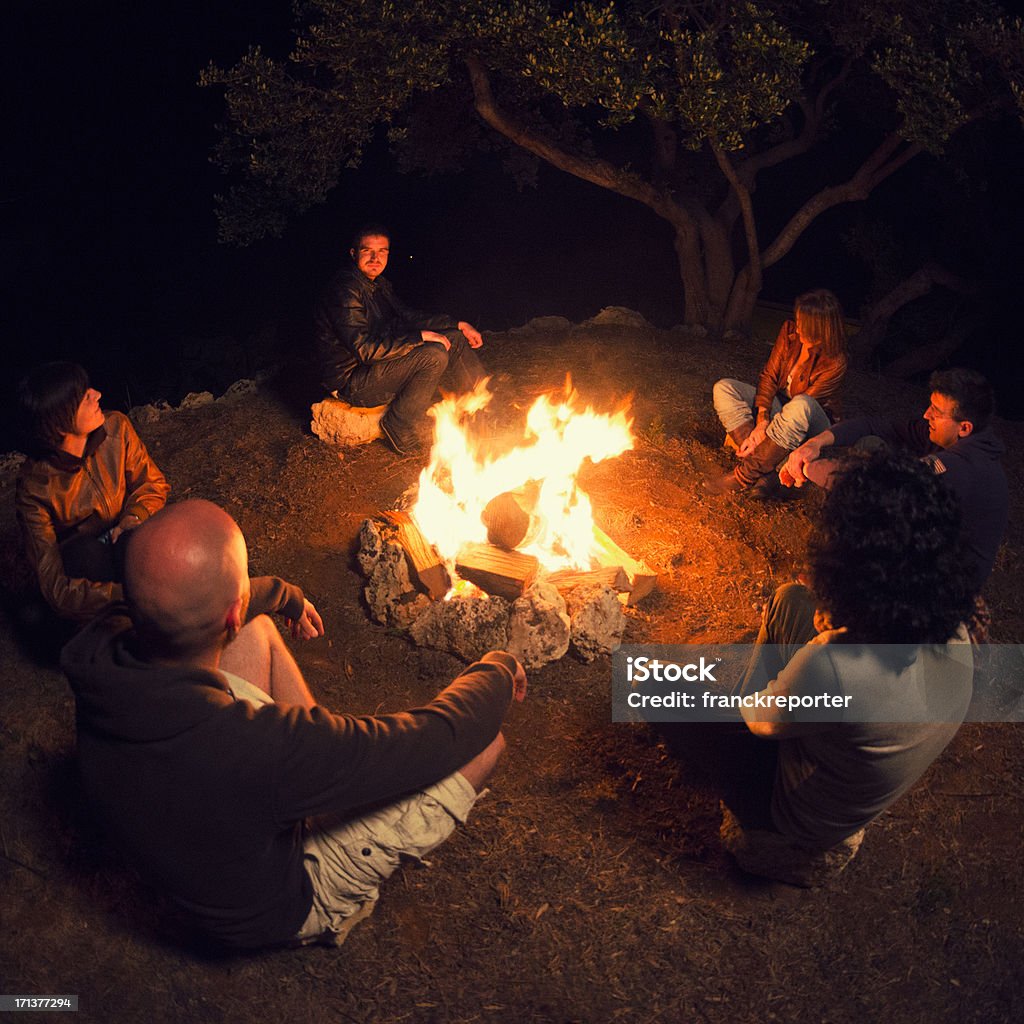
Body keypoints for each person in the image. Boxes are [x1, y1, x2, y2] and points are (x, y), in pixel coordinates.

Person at [61, 499, 527, 950]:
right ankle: (323, 831)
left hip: (184, 828)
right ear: (232, 608)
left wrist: (284, 598)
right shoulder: (256, 744)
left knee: (256, 631)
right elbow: (432, 739)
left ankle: (314, 790)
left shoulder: (100, 643)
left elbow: (230, 612)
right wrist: (498, 669)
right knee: (484, 741)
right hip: (271, 904)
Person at [660, 451, 975, 854]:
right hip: (853, 768)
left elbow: (763, 721)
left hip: (800, 816)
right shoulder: (955, 633)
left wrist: (819, 647)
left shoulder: (837, 661)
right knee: (791, 600)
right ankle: (765, 702)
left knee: (650, 682)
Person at [782, 368, 1008, 593]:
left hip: (942, 585)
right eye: (930, 406)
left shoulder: (965, 467)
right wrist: (814, 444)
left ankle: (840, 584)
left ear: (964, 427)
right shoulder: (948, 438)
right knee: (871, 445)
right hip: (925, 547)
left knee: (873, 496)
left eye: (936, 412)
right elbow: (875, 426)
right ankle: (837, 574)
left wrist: (809, 468)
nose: (926, 415)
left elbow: (876, 489)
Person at [313, 224, 487, 455]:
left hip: (373, 369)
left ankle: (483, 407)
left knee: (453, 338)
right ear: (354, 253)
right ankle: (398, 423)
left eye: (382, 251)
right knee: (432, 355)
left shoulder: (377, 284)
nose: (376, 258)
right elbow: (364, 350)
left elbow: (408, 316)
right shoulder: (344, 291)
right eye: (367, 251)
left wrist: (457, 324)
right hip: (351, 381)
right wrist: (419, 337)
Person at [15, 362, 170, 622]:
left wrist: (133, 516)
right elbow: (55, 585)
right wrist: (127, 595)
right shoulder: (36, 488)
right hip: (86, 566)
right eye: (84, 397)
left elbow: (151, 484)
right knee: (85, 555)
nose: (97, 394)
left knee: (135, 539)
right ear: (60, 424)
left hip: (122, 535)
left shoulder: (116, 428)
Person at [706, 289, 847, 494]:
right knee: (724, 388)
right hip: (780, 409)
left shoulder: (835, 361)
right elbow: (769, 376)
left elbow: (804, 404)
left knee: (800, 405)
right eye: (797, 320)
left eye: (803, 324)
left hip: (812, 424)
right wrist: (762, 421)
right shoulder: (790, 333)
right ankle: (765, 468)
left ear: (819, 328)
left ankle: (744, 476)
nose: (797, 328)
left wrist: (768, 424)